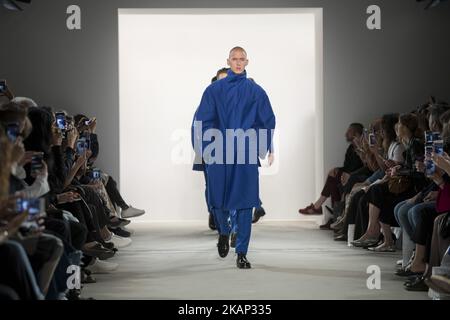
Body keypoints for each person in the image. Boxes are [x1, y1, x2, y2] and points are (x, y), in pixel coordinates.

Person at [192, 47, 276, 269]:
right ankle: (223, 231)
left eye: (242, 59)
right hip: (219, 153)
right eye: (234, 59)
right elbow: (202, 120)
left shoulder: (256, 91)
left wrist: (258, 146)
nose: (238, 63)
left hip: (245, 154)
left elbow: (266, 120)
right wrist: (207, 150)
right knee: (217, 199)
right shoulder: (214, 91)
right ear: (228, 61)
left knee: (246, 202)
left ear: (247, 61)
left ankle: (242, 252)